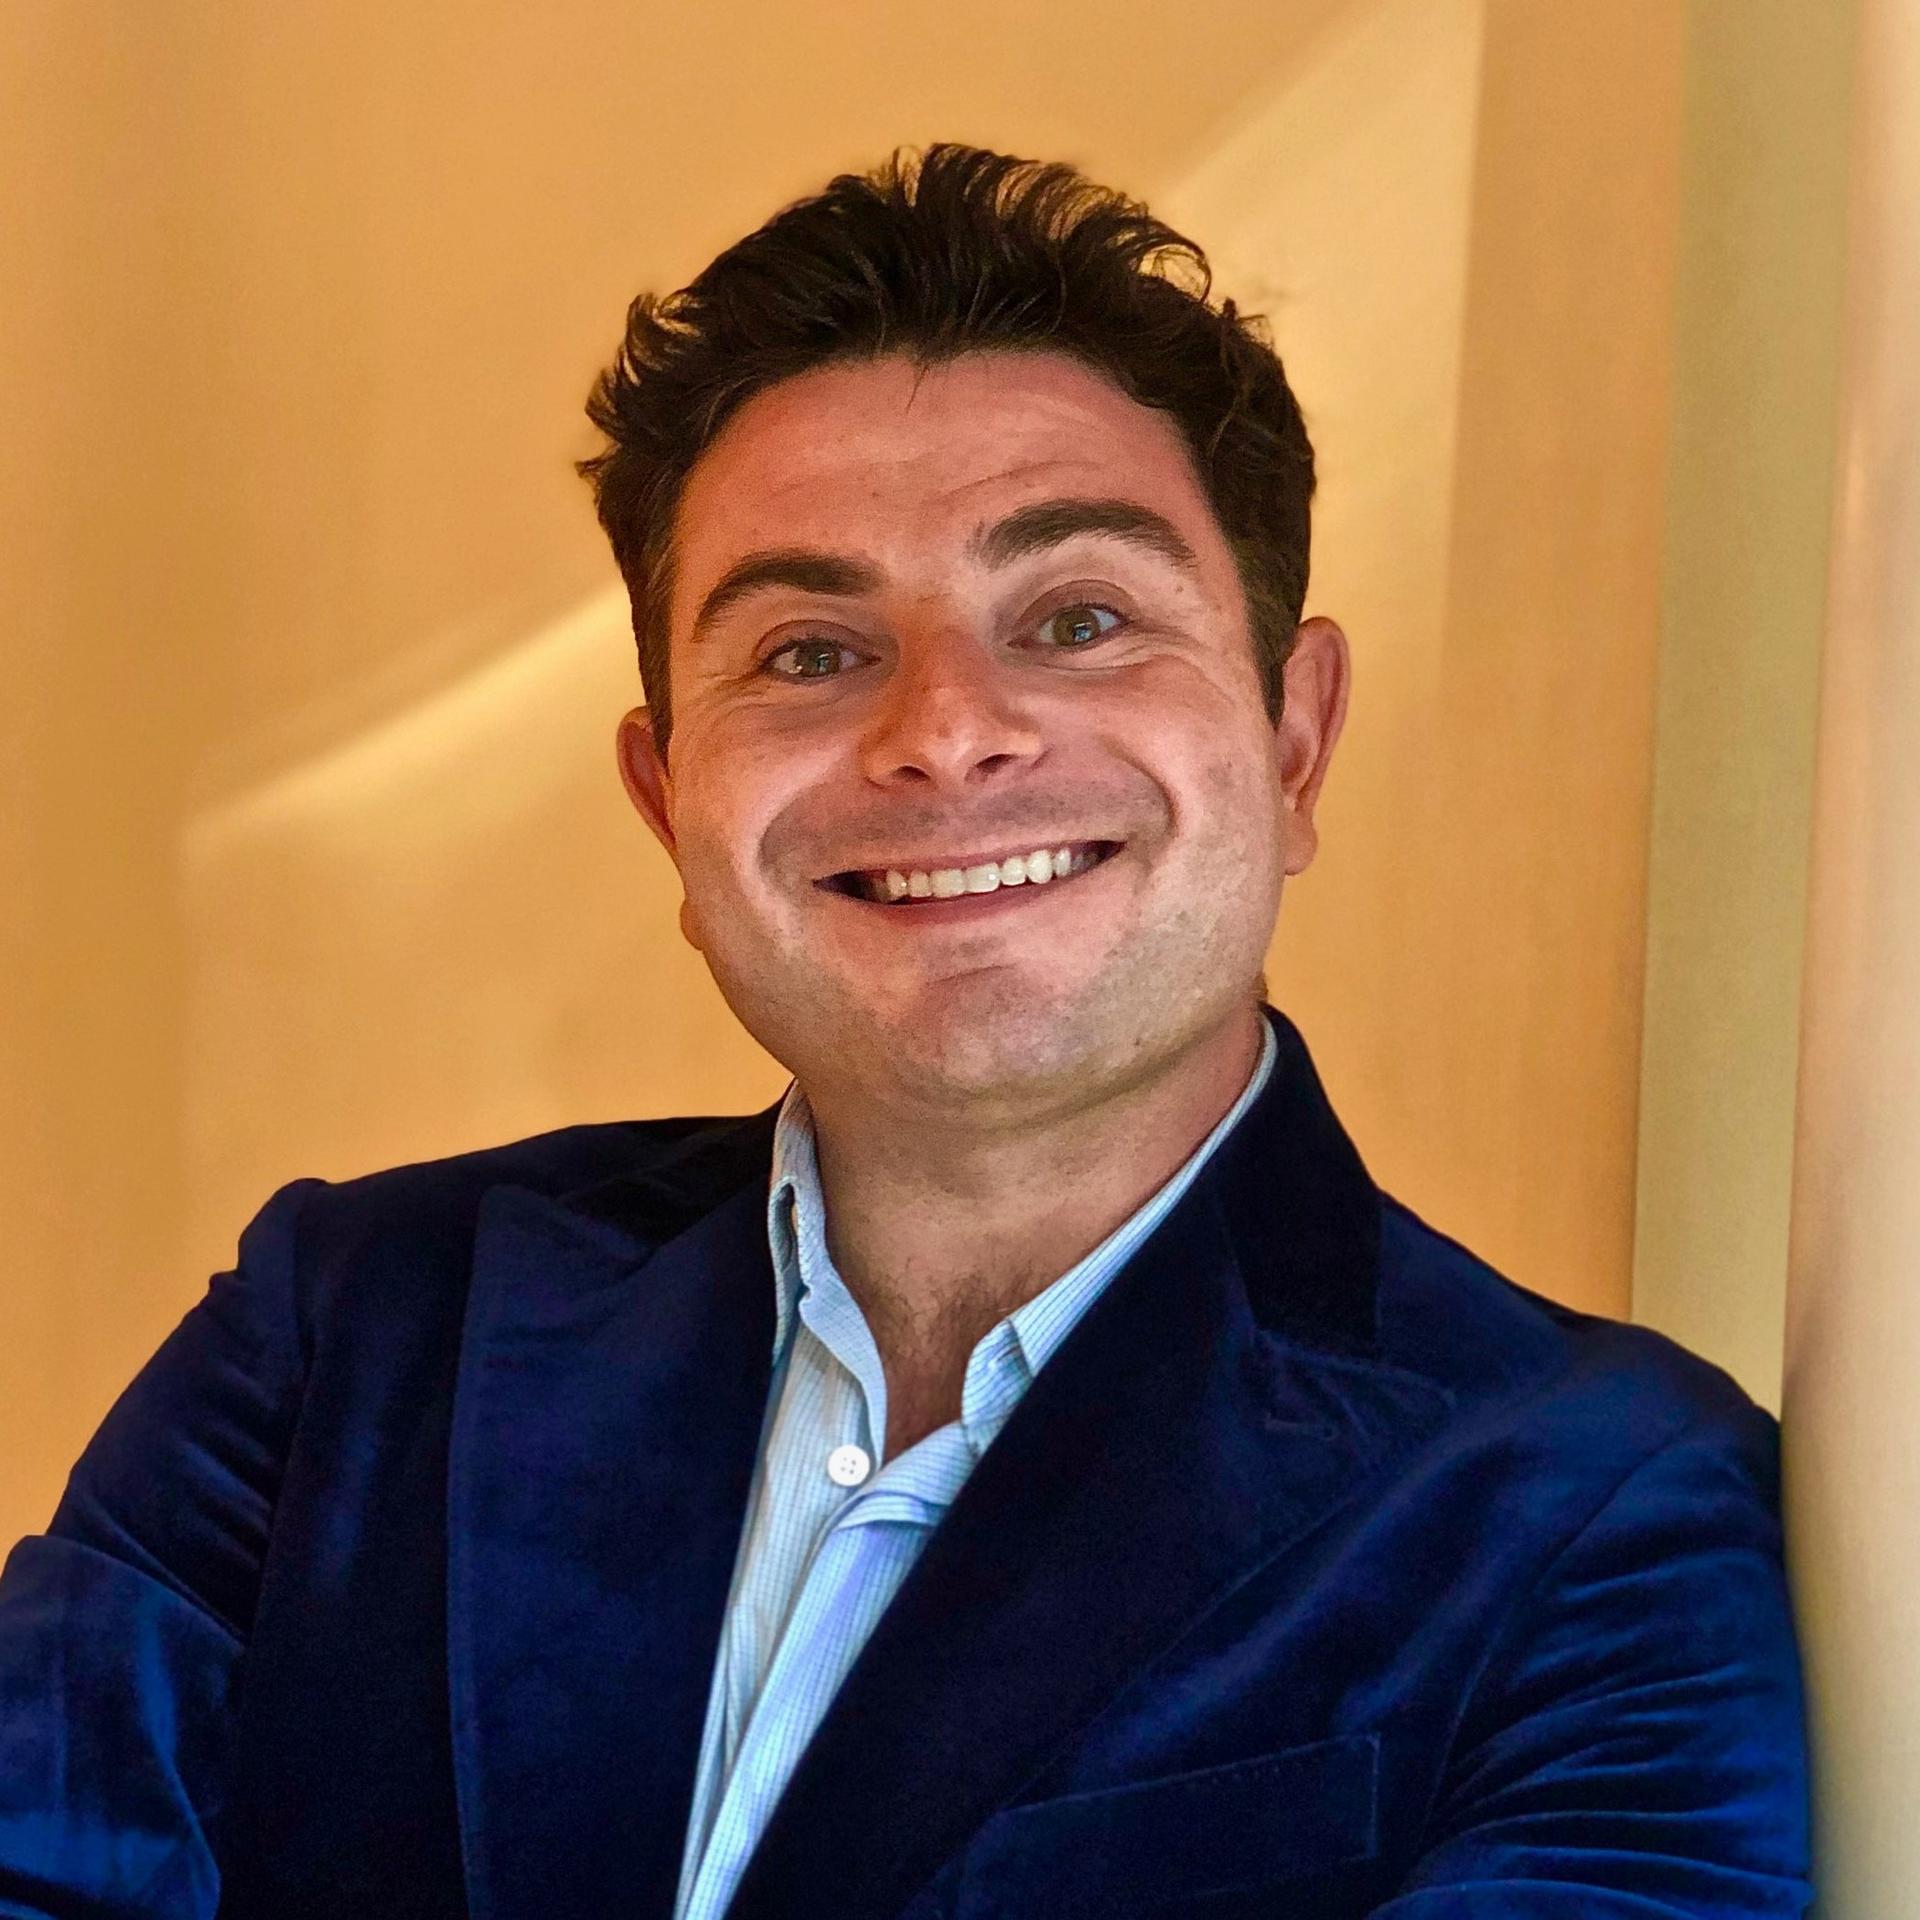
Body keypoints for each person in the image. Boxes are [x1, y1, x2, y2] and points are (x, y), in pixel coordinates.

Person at [0, 144, 1809, 1918]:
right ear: (669, 800)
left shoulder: (1598, 1508)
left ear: (1293, 737)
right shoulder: (351, 1332)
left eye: (1080, 618)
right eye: (807, 652)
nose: (944, 730)